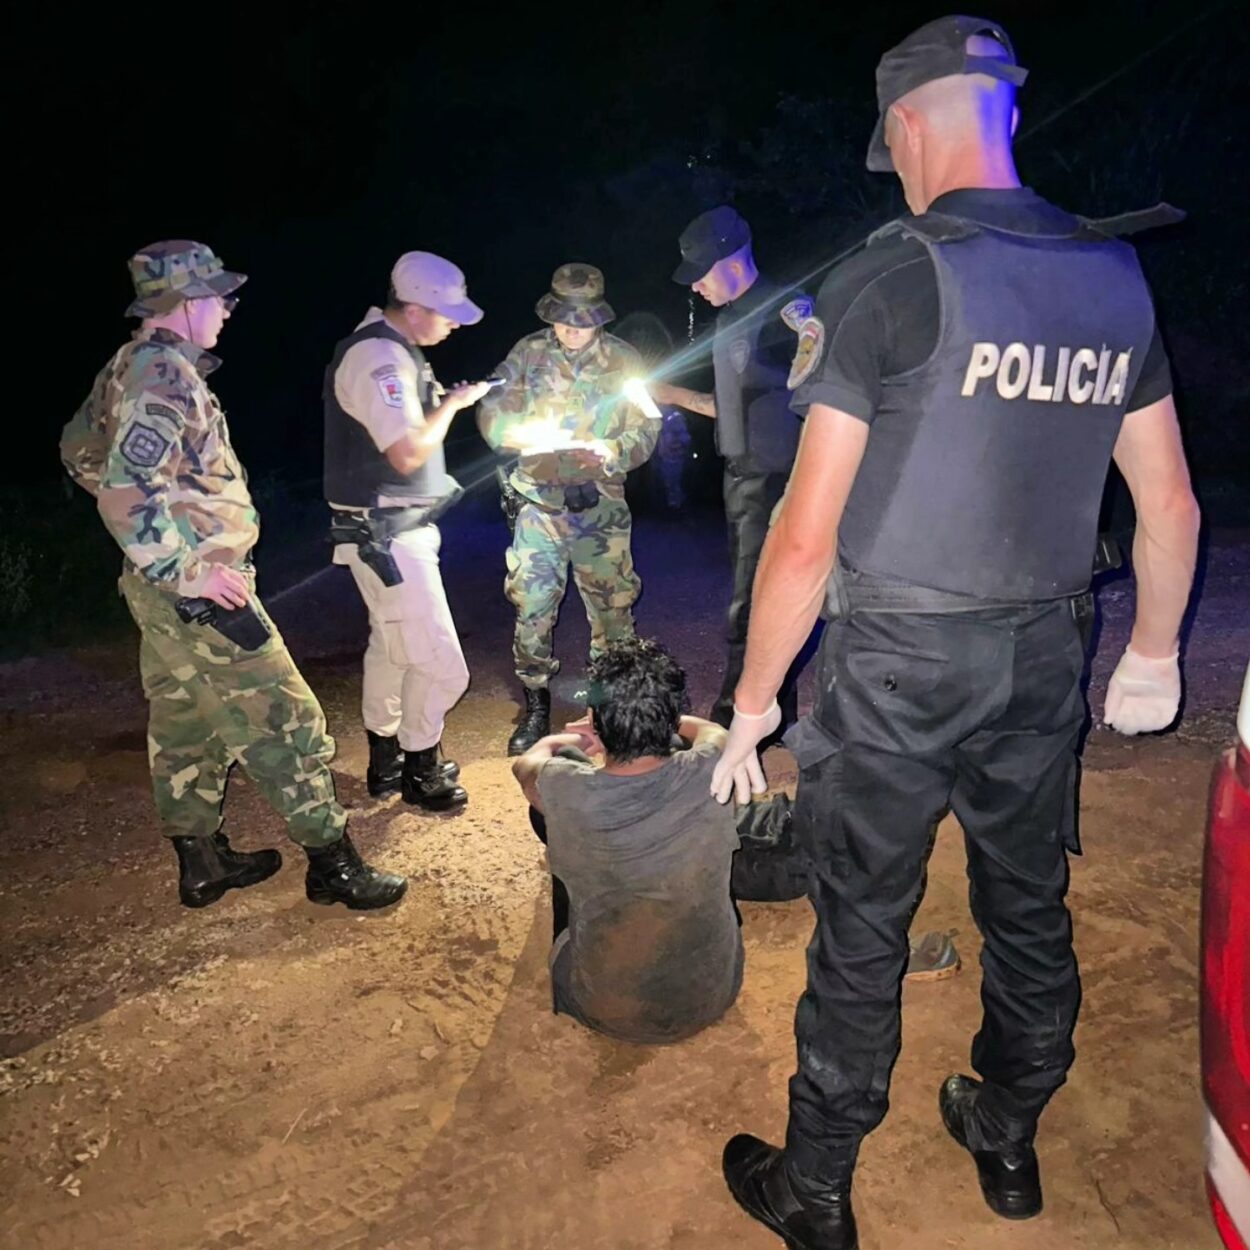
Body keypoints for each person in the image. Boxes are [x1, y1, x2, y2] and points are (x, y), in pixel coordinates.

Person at [709, 18, 1200, 1249]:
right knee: (1025, 899)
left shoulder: (890, 273)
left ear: (907, 128)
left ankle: (815, 1184)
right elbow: (1169, 501)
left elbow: (804, 537)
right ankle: (1007, 1126)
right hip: (1044, 651)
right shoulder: (1111, 272)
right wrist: (1150, 652)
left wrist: (754, 703)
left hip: (897, 665)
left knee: (862, 917)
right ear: (1007, 115)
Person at [61, 241, 408, 912]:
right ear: (186, 303)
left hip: (162, 592)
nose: (226, 308)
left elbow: (78, 449)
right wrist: (183, 565)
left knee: (188, 720)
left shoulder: (129, 366)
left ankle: (203, 861)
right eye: (218, 297)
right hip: (197, 593)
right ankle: (332, 865)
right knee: (286, 718)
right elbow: (124, 488)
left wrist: (159, 556)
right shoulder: (162, 376)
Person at [511, 639, 960, 1046]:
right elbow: (711, 732)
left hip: (602, 1008)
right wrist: (664, 715)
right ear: (670, 716)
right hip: (714, 992)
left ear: (598, 719)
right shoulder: (712, 764)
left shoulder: (564, 790)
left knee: (551, 815)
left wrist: (576, 736)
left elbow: (528, 764)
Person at [324, 252, 491, 812]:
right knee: (442, 663)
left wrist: (440, 401)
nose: (453, 324)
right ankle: (422, 766)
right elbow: (405, 452)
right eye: (446, 315)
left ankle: (385, 760)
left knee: (392, 650)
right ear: (414, 308)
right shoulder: (379, 357)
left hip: (387, 530)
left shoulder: (390, 349)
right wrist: (452, 406)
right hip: (388, 535)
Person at [478, 264, 658, 755]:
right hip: (538, 503)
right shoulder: (527, 353)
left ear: (599, 317)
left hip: (600, 508)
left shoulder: (625, 361)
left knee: (613, 612)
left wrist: (612, 452)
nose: (571, 328)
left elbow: (647, 428)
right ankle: (536, 704)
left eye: (581, 320)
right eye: (563, 318)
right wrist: (506, 434)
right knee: (532, 607)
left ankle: (608, 709)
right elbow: (490, 408)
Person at [653, 207, 807, 737]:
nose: (694, 285)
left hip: (779, 480)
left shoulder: (787, 310)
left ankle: (739, 716)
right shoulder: (730, 319)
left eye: (700, 272)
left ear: (731, 262)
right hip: (745, 477)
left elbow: (822, 393)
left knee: (755, 602)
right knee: (758, 598)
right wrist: (668, 395)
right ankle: (772, 711)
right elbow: (733, 403)